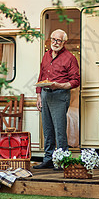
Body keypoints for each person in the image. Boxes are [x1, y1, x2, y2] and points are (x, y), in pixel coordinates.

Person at [34, 29, 80, 169]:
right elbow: (41, 76)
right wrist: (38, 95)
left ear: (64, 42)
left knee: (59, 130)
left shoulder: (70, 58)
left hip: (60, 94)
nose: (55, 43)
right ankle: (48, 159)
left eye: (58, 40)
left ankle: (62, 160)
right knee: (47, 129)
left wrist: (58, 85)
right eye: (53, 39)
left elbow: (76, 81)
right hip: (45, 94)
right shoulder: (46, 56)